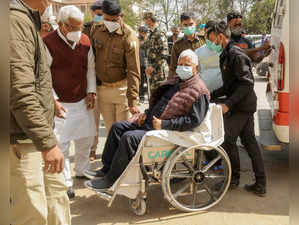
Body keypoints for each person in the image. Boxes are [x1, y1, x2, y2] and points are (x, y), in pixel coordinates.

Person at [84, 49, 210, 190]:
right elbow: (160, 102)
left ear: (196, 68)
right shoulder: (176, 82)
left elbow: (194, 121)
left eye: (186, 65)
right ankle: (106, 170)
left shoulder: (199, 91)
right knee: (117, 128)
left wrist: (164, 124)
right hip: (149, 122)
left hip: (166, 131)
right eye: (180, 64)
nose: (182, 68)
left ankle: (111, 180)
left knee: (128, 138)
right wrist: (147, 113)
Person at [10, 0, 71, 224]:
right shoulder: (14, 21)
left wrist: (50, 101)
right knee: (32, 213)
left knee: (57, 199)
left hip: (38, 134)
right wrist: (47, 143)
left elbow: (34, 79)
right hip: (24, 139)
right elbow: (19, 90)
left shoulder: (27, 19)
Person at [43, 5, 97, 199]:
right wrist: (54, 100)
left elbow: (90, 68)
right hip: (61, 104)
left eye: (80, 27)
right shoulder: (47, 43)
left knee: (85, 139)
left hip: (82, 100)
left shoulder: (85, 41)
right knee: (62, 144)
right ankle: (66, 183)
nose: (78, 32)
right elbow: (44, 76)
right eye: (74, 28)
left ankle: (83, 170)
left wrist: (91, 91)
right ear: (62, 25)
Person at [212, 21, 267, 197]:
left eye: (210, 36)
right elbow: (230, 85)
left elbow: (246, 84)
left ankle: (232, 180)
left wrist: (228, 104)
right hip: (240, 104)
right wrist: (211, 94)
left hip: (242, 106)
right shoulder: (226, 54)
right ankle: (260, 184)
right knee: (250, 143)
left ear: (220, 35)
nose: (209, 40)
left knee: (228, 140)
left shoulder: (235, 54)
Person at [90, 0, 141, 133]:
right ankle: (113, 154)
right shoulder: (96, 30)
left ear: (121, 16)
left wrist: (133, 100)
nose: (110, 23)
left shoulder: (129, 36)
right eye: (107, 19)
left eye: (114, 20)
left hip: (121, 90)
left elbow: (133, 70)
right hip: (103, 90)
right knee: (110, 130)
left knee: (121, 131)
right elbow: (91, 60)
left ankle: (122, 154)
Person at [82, 0, 104, 162]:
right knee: (93, 120)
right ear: (92, 14)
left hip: (108, 80)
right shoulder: (86, 29)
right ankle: (92, 149)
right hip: (92, 80)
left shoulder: (110, 28)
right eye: (97, 14)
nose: (99, 17)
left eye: (102, 14)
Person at [168, 12, 206, 79]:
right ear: (181, 26)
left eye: (191, 24)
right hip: (186, 82)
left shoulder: (204, 41)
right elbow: (173, 68)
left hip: (204, 79)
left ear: (195, 23)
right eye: (185, 25)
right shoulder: (177, 45)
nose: (188, 27)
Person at [143, 11, 169, 93]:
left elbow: (164, 53)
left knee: (161, 96)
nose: (145, 22)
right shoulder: (150, 33)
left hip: (160, 71)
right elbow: (145, 47)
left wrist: (152, 66)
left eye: (146, 20)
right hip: (153, 71)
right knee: (154, 96)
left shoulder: (159, 33)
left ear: (150, 20)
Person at [195, 20, 223, 94]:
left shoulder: (226, 50)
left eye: (215, 38)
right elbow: (195, 74)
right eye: (210, 40)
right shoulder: (198, 52)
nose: (213, 42)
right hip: (204, 95)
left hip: (225, 96)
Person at [138, 25, 148, 103]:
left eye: (143, 32)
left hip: (148, 64)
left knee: (148, 80)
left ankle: (148, 95)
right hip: (139, 64)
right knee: (140, 80)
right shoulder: (136, 40)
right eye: (141, 32)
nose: (142, 34)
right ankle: (141, 97)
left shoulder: (149, 40)